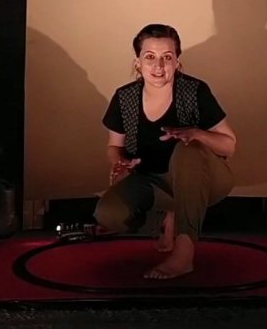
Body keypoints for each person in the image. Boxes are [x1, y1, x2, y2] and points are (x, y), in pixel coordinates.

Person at [94, 24, 237, 279]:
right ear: (138, 62)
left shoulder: (194, 91)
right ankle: (168, 215)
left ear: (177, 62)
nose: (158, 66)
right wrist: (120, 163)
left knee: (188, 150)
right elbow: (114, 146)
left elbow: (229, 145)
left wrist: (196, 133)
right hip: (153, 181)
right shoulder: (125, 97)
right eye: (150, 57)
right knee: (109, 215)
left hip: (205, 181)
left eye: (167, 57)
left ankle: (184, 253)